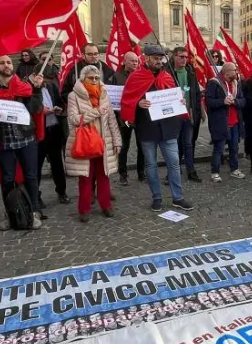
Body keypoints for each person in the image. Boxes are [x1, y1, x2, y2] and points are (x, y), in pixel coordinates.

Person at [120, 45, 194, 212]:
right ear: (146, 58)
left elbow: (175, 95)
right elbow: (127, 100)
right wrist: (138, 104)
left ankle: (178, 197)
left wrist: (180, 101)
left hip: (169, 127)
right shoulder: (135, 77)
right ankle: (157, 198)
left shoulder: (168, 76)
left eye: (161, 58)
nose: (159, 61)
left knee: (174, 163)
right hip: (147, 129)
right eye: (155, 58)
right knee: (151, 165)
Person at [0, 55, 45, 230]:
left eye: (9, 62)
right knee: (7, 179)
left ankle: (33, 211)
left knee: (31, 176)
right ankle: (11, 213)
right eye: (2, 62)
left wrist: (37, 90)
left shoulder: (24, 87)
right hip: (5, 142)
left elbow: (36, 109)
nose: (7, 65)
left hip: (26, 139)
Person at [65, 65, 121, 223]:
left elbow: (111, 120)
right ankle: (84, 209)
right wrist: (96, 111)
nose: (94, 80)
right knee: (85, 177)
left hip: (104, 141)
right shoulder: (73, 96)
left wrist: (117, 141)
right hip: (85, 142)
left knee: (104, 175)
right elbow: (74, 119)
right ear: (83, 79)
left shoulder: (104, 94)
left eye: (97, 78)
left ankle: (106, 205)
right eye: (91, 78)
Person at [109, 51, 145, 184]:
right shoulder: (116, 77)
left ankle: (141, 172)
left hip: (140, 116)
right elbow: (112, 98)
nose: (135, 63)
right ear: (124, 61)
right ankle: (123, 174)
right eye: (132, 61)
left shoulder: (142, 75)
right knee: (124, 146)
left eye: (136, 61)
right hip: (124, 118)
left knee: (142, 145)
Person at [205, 62, 246, 182]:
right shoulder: (214, 83)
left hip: (235, 122)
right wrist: (223, 101)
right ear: (227, 72)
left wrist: (235, 102)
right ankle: (215, 172)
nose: (236, 72)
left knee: (234, 147)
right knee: (219, 148)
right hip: (220, 122)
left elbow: (243, 101)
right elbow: (209, 102)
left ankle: (234, 169)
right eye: (234, 70)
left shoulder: (236, 83)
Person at [37, 65, 70, 205]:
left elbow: (59, 102)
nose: (49, 82)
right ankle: (35, 195)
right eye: (47, 79)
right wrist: (41, 112)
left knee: (57, 164)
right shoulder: (31, 90)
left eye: (51, 79)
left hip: (54, 129)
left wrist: (59, 108)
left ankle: (61, 192)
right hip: (39, 133)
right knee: (36, 166)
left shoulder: (52, 87)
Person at [170, 47, 203, 183]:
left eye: (186, 57)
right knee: (174, 146)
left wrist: (198, 112)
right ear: (174, 57)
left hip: (188, 115)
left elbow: (196, 93)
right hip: (174, 116)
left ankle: (191, 171)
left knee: (188, 144)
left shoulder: (191, 72)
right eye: (181, 56)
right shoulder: (168, 72)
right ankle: (173, 172)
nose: (184, 59)